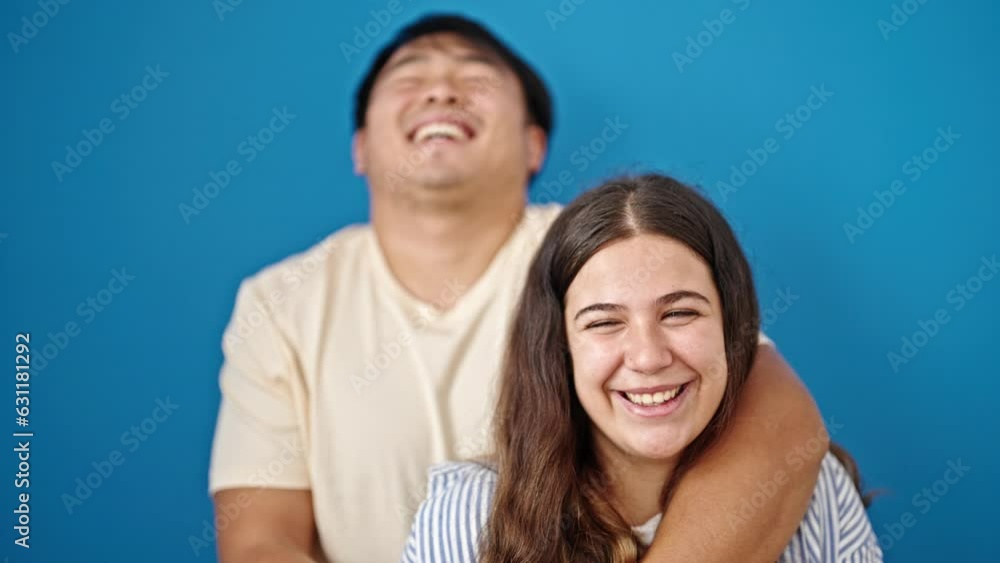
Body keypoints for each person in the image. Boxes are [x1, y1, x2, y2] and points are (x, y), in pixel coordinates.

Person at [209, 14, 829, 563]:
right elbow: (259, 540)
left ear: (535, 144)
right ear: (361, 147)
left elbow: (775, 414)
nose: (442, 88)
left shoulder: (601, 257)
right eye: (409, 75)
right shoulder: (281, 302)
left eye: (476, 76)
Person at [402, 174, 882, 562]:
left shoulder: (814, 493)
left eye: (679, 313)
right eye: (605, 322)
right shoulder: (464, 516)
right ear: (559, 349)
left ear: (733, 331)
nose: (649, 357)